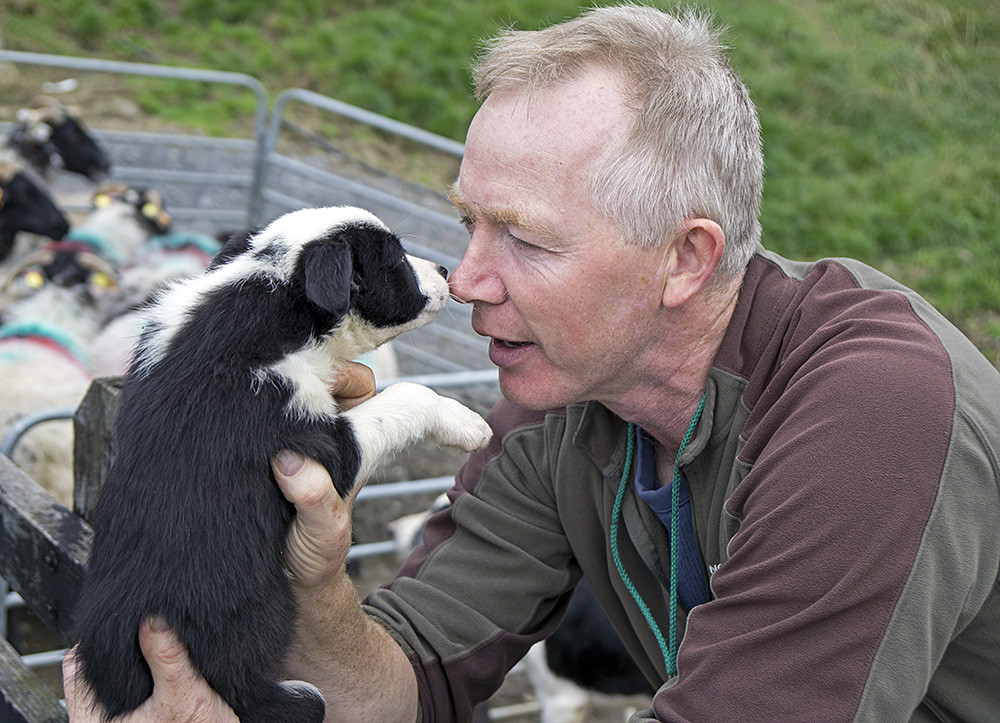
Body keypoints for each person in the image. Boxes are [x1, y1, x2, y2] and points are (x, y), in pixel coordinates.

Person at [64, 4, 1000, 722]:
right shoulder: (565, 408)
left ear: (686, 258)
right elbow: (411, 682)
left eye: (523, 239)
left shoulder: (877, 411)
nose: (464, 279)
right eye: (471, 220)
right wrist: (307, 567)